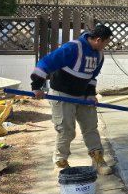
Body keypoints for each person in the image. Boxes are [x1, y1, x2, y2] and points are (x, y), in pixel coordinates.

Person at [30, 23, 114, 175]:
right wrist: (36, 87)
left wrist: (90, 94)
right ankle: (60, 162)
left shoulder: (99, 56)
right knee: (66, 130)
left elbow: (92, 77)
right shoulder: (72, 48)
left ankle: (97, 159)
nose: (106, 46)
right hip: (62, 94)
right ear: (98, 40)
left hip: (83, 95)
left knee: (91, 127)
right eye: (106, 42)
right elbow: (45, 63)